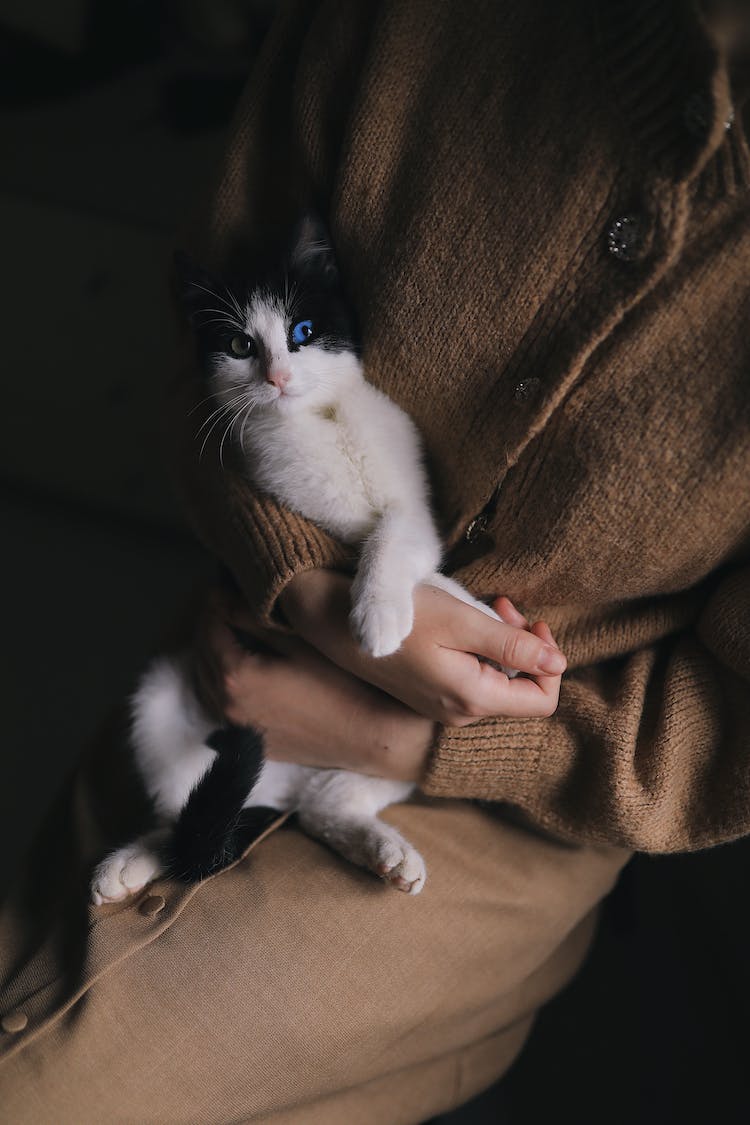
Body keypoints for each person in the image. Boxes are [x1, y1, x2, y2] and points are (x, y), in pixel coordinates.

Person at [2, 2, 749, 1121]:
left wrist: (399, 733)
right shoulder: (408, 28)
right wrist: (297, 583)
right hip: (236, 656)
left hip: (529, 808)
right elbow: (197, 322)